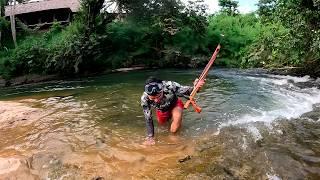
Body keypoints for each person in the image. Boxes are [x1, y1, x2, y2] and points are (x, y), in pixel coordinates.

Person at [141, 76, 205, 145]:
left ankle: (173, 136)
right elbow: (148, 119)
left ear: (162, 89)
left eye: (158, 96)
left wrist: (196, 87)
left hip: (174, 104)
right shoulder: (144, 98)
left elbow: (189, 91)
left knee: (177, 120)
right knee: (164, 126)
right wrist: (150, 137)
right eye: (152, 98)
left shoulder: (170, 85)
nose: (156, 100)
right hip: (161, 110)